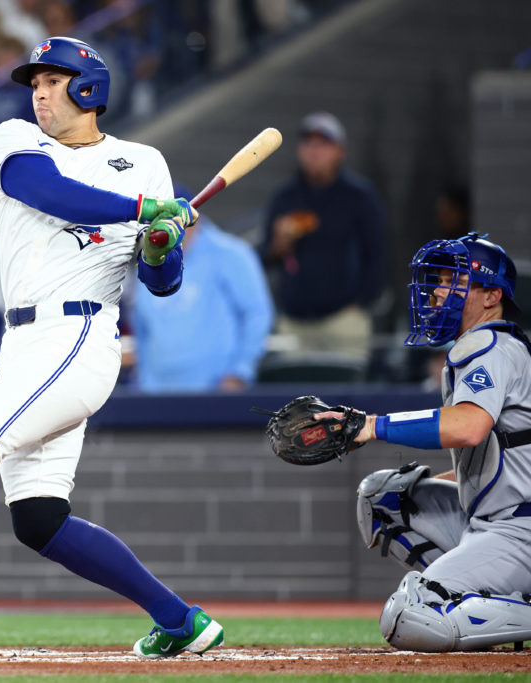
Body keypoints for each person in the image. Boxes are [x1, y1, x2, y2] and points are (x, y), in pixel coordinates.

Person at [0, 36, 224, 660]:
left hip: (80, 335)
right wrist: (146, 210)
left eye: (53, 81)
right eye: (36, 83)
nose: (40, 93)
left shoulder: (143, 162)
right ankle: (180, 620)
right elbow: (49, 192)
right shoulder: (14, 140)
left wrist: (161, 245)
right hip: (24, 343)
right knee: (39, 520)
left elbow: (160, 283)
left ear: (89, 88)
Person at [328, 233, 531, 652]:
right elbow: (495, 457)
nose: (439, 291)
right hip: (496, 521)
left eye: (454, 281)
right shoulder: (490, 347)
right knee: (386, 497)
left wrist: (372, 426)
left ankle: (468, 601)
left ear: (492, 295)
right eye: (439, 280)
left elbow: (469, 427)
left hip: (520, 530)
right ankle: (474, 594)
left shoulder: (491, 346)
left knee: (411, 614)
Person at [260, 111, 386, 361]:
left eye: (323, 144)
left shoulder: (358, 196)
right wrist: (280, 243)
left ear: (340, 151)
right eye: (308, 143)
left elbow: (378, 253)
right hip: (295, 320)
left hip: (343, 318)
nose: (314, 151)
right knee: (294, 386)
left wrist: (361, 303)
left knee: (346, 384)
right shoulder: (285, 196)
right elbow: (265, 257)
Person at [124, 213, 273, 392]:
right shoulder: (148, 258)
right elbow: (141, 325)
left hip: (215, 391)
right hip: (156, 391)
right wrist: (144, 378)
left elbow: (256, 315)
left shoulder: (230, 253)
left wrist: (239, 372)